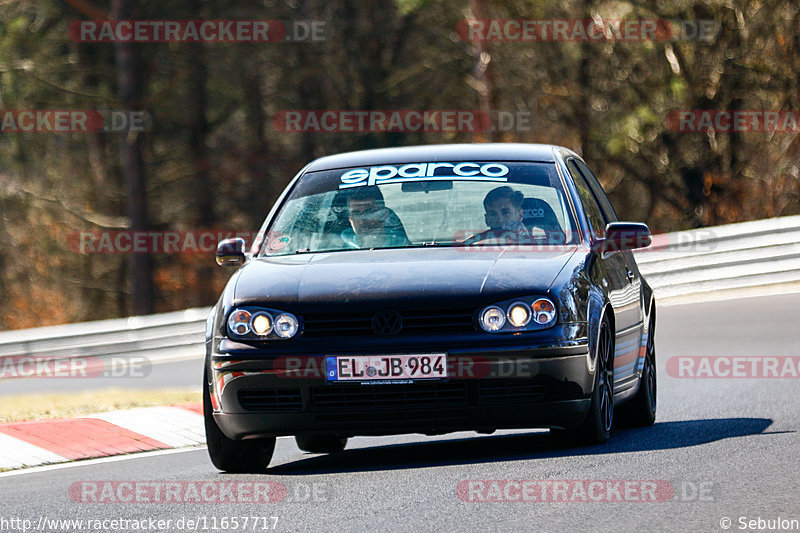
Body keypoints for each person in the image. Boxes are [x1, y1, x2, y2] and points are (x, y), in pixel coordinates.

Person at [341, 187, 410, 249]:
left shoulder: (402, 245)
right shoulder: (340, 246)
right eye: (356, 214)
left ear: (384, 214)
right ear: (350, 219)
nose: (362, 222)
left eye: (369, 213)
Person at [465, 186, 531, 244]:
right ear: (487, 220)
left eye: (506, 212)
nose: (500, 220)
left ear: (520, 215)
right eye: (493, 214)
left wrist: (525, 238)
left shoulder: (536, 246)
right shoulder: (474, 244)